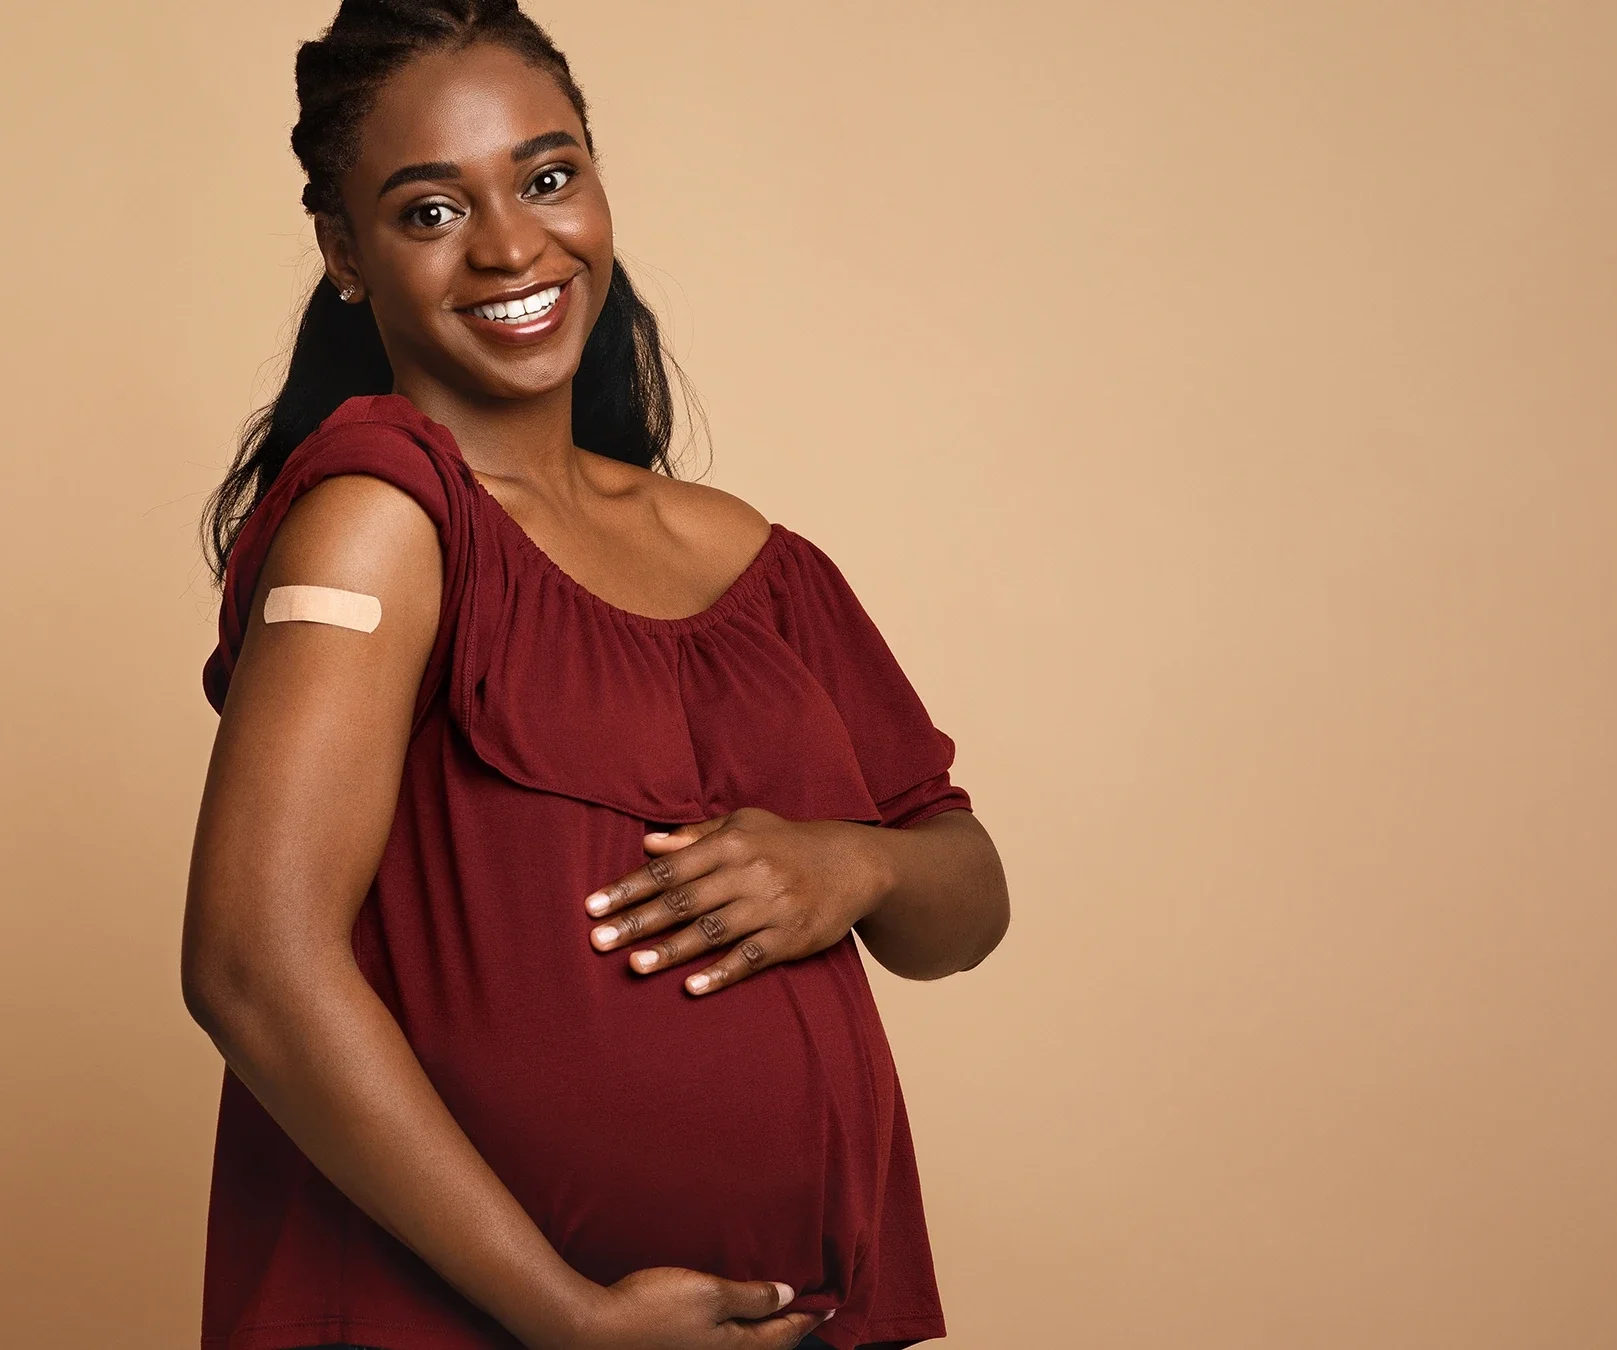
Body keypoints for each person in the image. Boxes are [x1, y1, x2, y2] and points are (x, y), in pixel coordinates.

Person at [181, 3, 1011, 1347]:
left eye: (548, 176)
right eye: (431, 210)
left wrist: (852, 865)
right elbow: (252, 966)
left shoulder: (749, 557)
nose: (513, 246)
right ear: (344, 254)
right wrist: (568, 1318)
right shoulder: (380, 521)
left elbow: (962, 903)